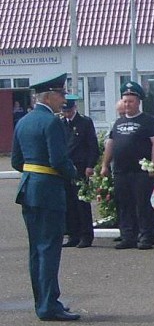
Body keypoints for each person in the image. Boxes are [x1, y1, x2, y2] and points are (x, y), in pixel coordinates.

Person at [12, 74, 81, 321]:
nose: (63, 100)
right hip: (48, 190)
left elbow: (16, 161)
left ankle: (41, 301)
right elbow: (59, 160)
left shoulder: (24, 121)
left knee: (36, 250)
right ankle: (49, 305)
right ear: (49, 96)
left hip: (29, 188)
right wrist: (74, 174)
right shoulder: (51, 123)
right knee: (49, 249)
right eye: (61, 95)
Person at [101, 81, 154, 250]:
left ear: (138, 102)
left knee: (143, 206)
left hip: (142, 172)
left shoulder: (149, 121)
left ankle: (146, 237)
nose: (127, 104)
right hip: (121, 171)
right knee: (124, 205)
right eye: (125, 101)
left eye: (131, 101)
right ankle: (128, 236)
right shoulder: (118, 122)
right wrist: (105, 165)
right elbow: (111, 144)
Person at [60, 96, 99, 248]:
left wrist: (90, 165)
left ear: (74, 108)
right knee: (68, 202)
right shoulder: (60, 123)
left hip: (81, 167)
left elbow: (92, 147)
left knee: (81, 202)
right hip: (66, 167)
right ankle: (73, 234)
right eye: (64, 111)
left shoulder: (84, 122)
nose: (67, 114)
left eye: (69, 111)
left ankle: (86, 235)